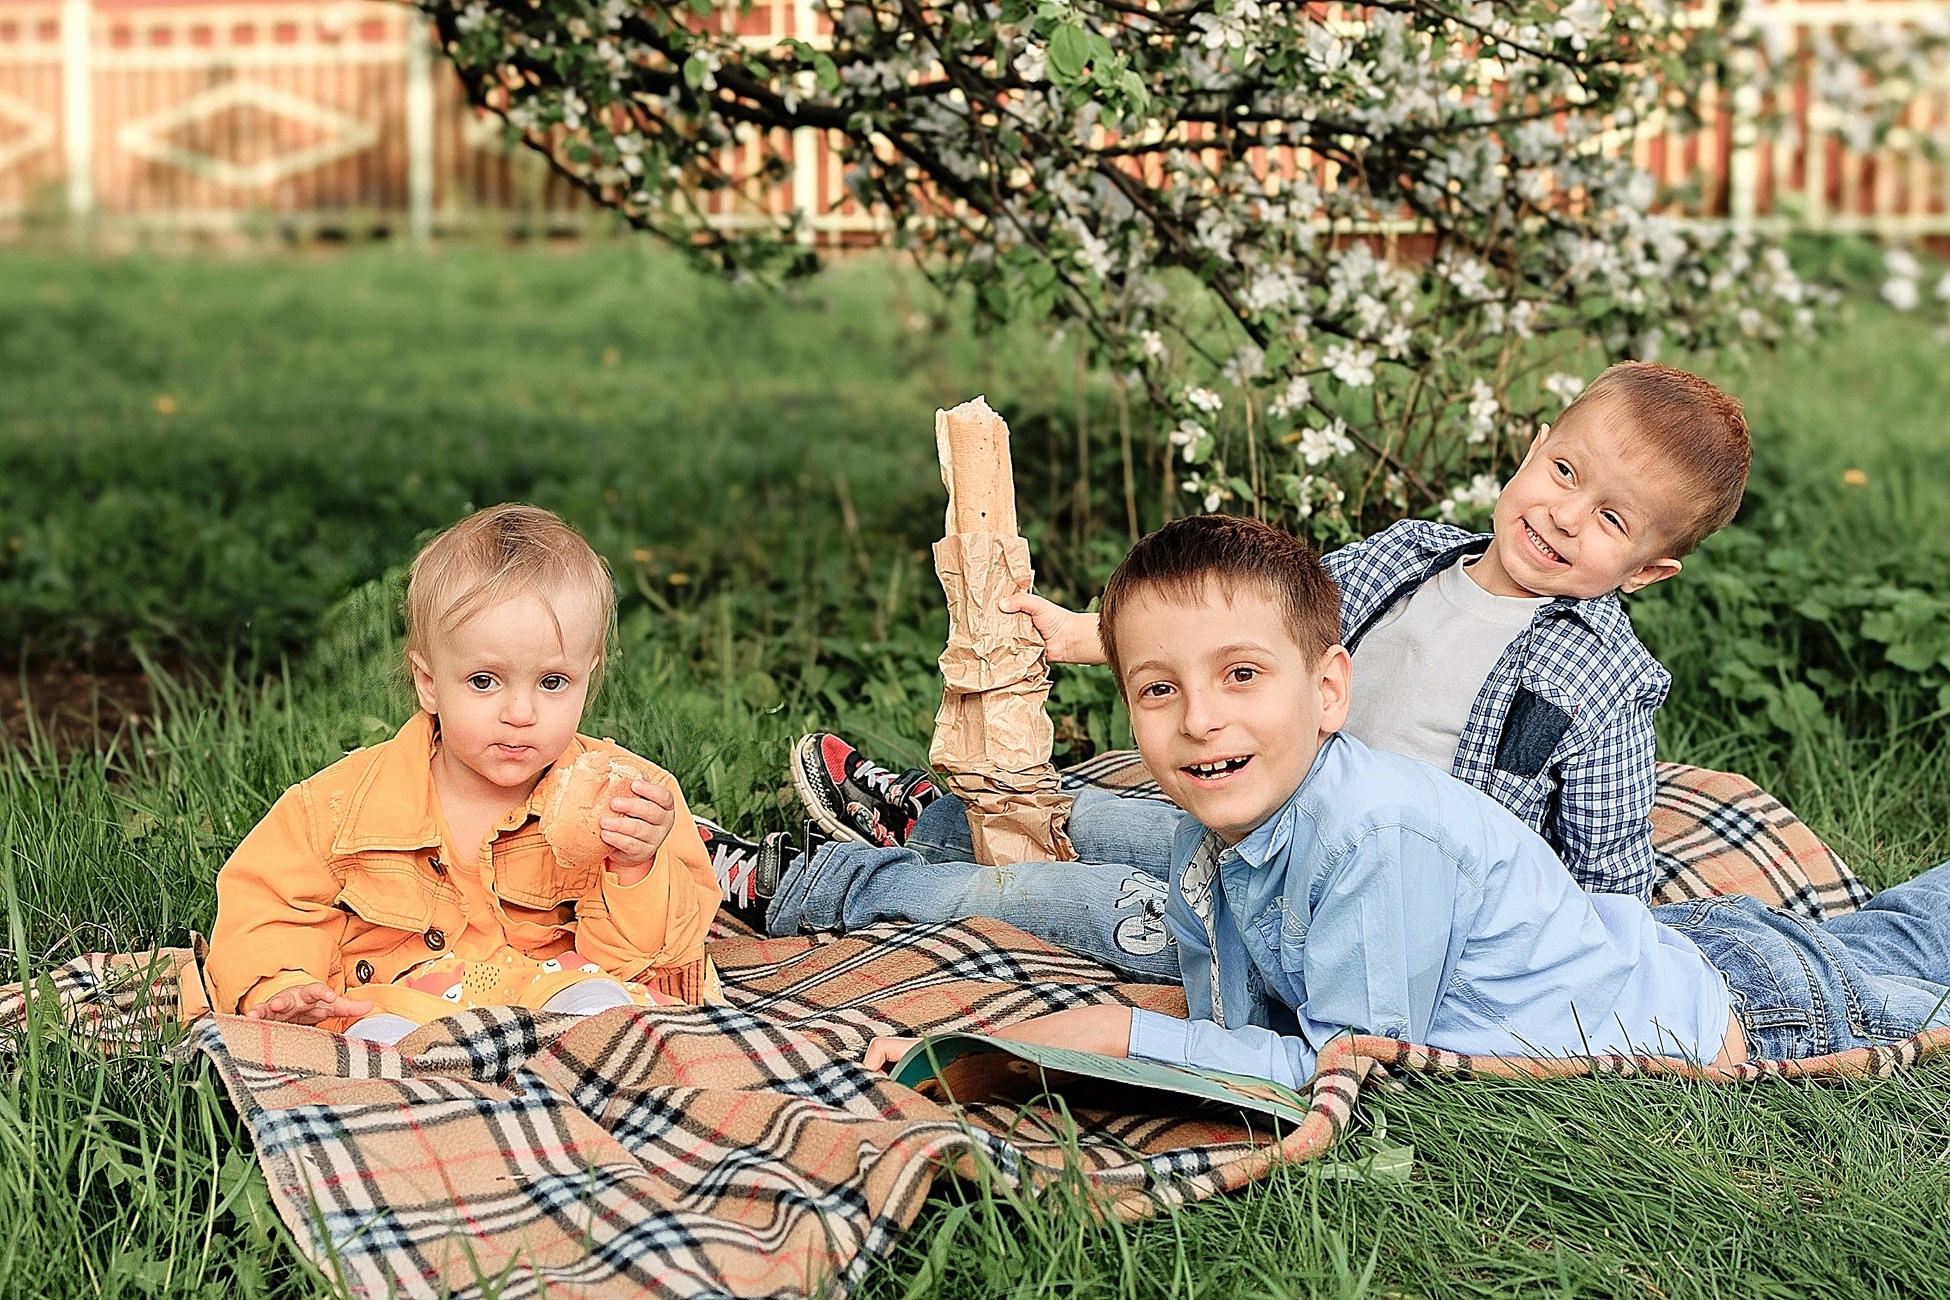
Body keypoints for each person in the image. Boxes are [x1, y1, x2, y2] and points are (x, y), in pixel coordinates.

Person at [709, 362, 1752, 980]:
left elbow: (1611, 882)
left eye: (1610, 516)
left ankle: (814, 884)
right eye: (1564, 471)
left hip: (1340, 925)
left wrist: (1606, 996)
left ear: (1649, 568)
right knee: (1086, 813)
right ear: (1533, 447)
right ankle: (930, 819)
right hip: (1259, 818)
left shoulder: (1607, 684)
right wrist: (1089, 634)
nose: (1565, 513)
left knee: (1074, 895)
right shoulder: (1412, 555)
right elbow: (1242, 620)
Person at [860, 516, 1950, 1082]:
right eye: (1159, 689)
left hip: (1739, 1013)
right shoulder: (1237, 820)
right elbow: (1238, 1005)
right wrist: (1012, 1032)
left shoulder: (1371, 835)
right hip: (1687, 948)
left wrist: (1116, 1035)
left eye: (1243, 675)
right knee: (1904, 925)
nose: (1200, 719)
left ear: (1330, 688)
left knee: (1907, 970)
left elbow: (1345, 1056)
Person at [207, 504, 722, 1044]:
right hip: (405, 1005)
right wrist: (281, 984)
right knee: (370, 1040)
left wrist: (636, 865)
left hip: (553, 994)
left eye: (552, 682)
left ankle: (583, 1075)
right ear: (429, 682)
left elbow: (647, 961)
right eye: (484, 681)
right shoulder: (340, 809)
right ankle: (416, 1088)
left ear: (587, 679)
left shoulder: (634, 797)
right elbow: (267, 906)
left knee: (615, 1013)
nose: (520, 712)